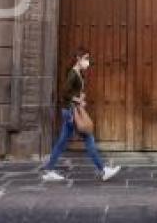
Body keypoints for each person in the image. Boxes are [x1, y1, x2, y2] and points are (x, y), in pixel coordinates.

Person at [42, 48, 121, 183]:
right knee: (88, 138)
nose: (87, 61)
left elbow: (72, 92)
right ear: (78, 59)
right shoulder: (73, 74)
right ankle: (103, 170)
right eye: (86, 58)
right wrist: (78, 100)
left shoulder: (79, 73)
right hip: (71, 112)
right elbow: (64, 94)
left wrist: (80, 96)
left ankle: (49, 170)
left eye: (88, 58)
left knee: (62, 142)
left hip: (70, 111)